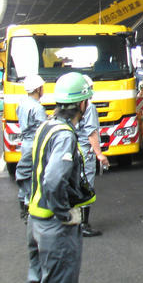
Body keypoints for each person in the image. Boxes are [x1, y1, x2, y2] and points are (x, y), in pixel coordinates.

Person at [27, 72, 96, 283]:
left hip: (35, 220)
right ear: (81, 103)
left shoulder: (46, 126)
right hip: (54, 225)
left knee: (38, 277)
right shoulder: (65, 135)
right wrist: (64, 214)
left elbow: (26, 166)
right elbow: (54, 180)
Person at [75, 75, 110, 237]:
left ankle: (73, 223)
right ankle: (82, 224)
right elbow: (91, 133)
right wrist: (99, 154)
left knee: (73, 185)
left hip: (72, 149)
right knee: (85, 186)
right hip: (84, 152)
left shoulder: (70, 106)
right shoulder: (89, 108)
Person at [15, 74, 47, 224]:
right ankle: (29, 208)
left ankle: (23, 204)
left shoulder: (22, 104)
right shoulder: (37, 107)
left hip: (25, 143)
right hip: (35, 143)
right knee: (34, 176)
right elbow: (43, 128)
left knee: (25, 173)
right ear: (38, 89)